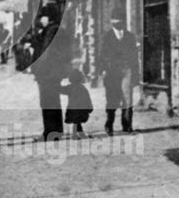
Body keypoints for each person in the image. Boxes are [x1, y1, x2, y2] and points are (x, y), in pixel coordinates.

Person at [96, 7, 140, 135]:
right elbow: (102, 55)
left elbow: (134, 57)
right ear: (112, 22)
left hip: (127, 70)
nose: (118, 24)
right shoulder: (107, 37)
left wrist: (136, 75)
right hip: (112, 71)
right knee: (112, 98)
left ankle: (127, 125)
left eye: (120, 22)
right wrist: (103, 70)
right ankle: (109, 123)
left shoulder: (130, 37)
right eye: (115, 22)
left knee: (127, 98)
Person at [30, 5, 70, 140]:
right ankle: (55, 131)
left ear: (49, 17)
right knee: (53, 101)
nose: (41, 19)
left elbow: (45, 53)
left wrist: (38, 69)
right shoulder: (55, 29)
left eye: (43, 16)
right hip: (53, 72)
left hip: (47, 72)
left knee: (48, 102)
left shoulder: (51, 30)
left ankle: (50, 132)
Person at [60, 68, 93, 136]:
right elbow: (87, 99)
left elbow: (62, 90)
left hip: (73, 109)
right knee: (77, 121)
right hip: (81, 109)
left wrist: (56, 86)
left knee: (76, 121)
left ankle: (77, 133)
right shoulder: (83, 88)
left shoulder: (70, 87)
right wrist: (90, 108)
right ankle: (78, 133)